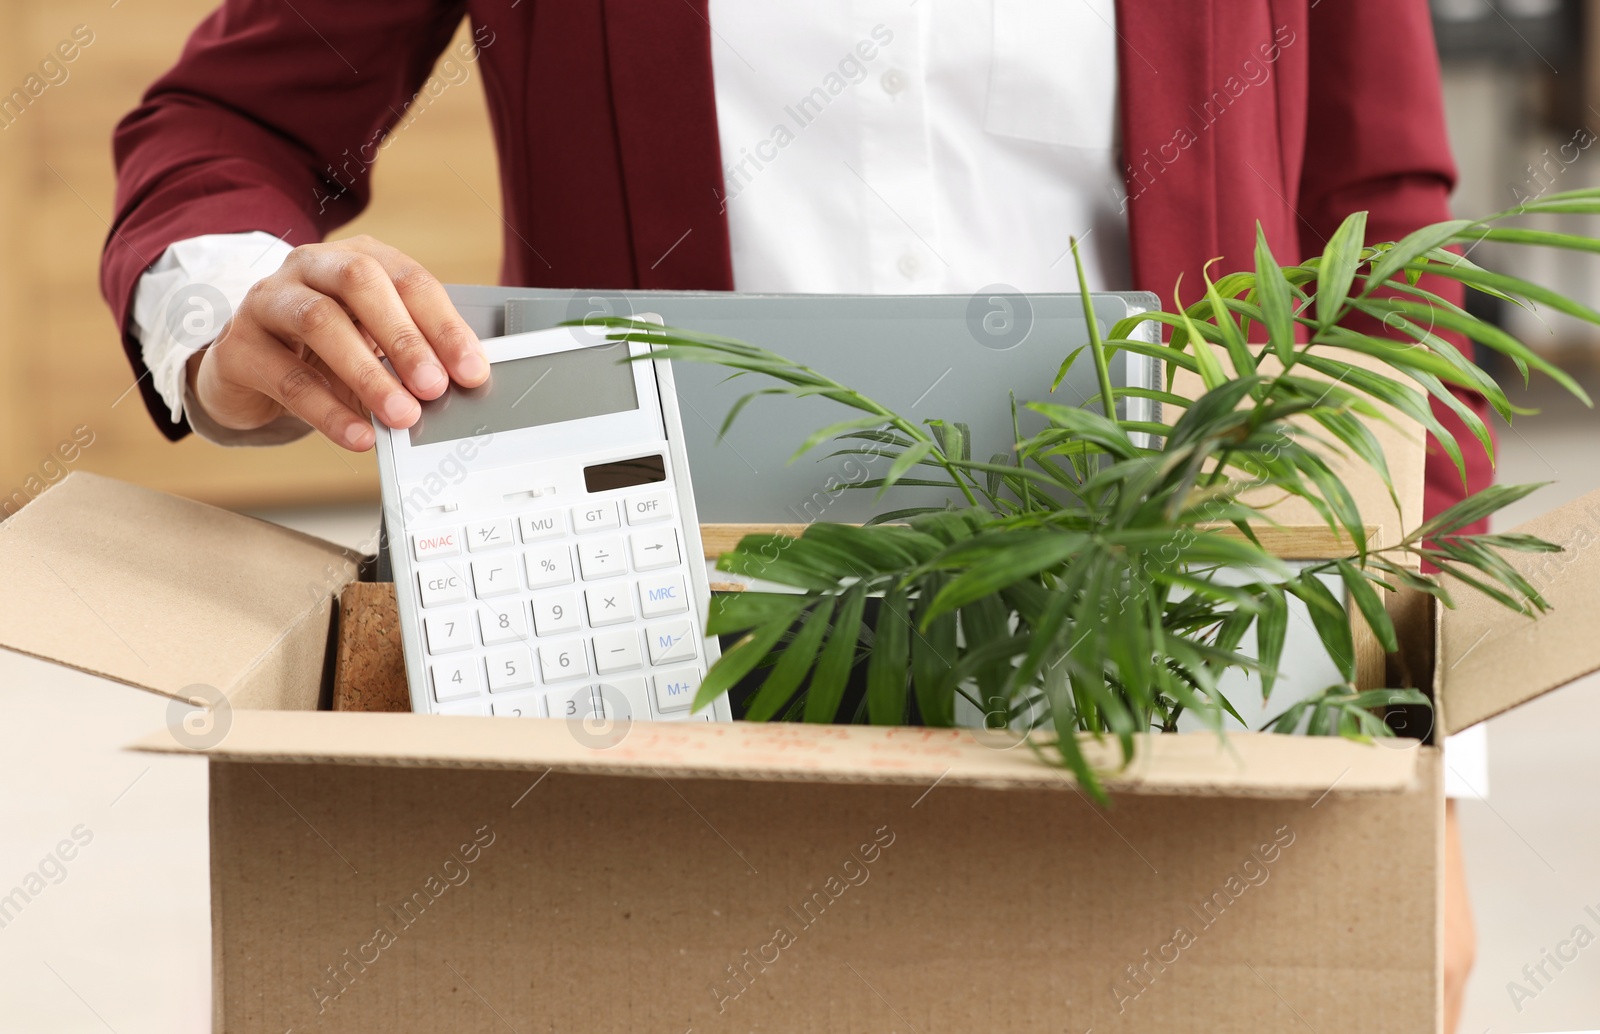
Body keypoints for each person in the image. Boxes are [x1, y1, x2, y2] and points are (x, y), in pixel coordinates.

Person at [100, 1, 1487, 1027]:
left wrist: (1427, 770)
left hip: (1169, 686)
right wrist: (237, 310)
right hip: (655, 704)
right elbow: (232, 122)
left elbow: (1380, 232)